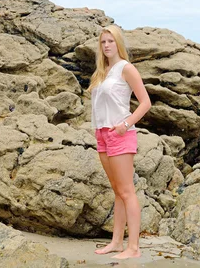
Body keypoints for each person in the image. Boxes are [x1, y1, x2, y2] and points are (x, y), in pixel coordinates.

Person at [88, 25, 152, 260]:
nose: (106, 46)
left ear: (118, 44)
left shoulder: (126, 68)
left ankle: (133, 247)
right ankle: (116, 242)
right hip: (102, 134)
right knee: (117, 191)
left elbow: (145, 102)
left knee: (127, 192)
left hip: (120, 133)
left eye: (110, 41)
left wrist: (125, 125)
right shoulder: (102, 73)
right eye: (103, 42)